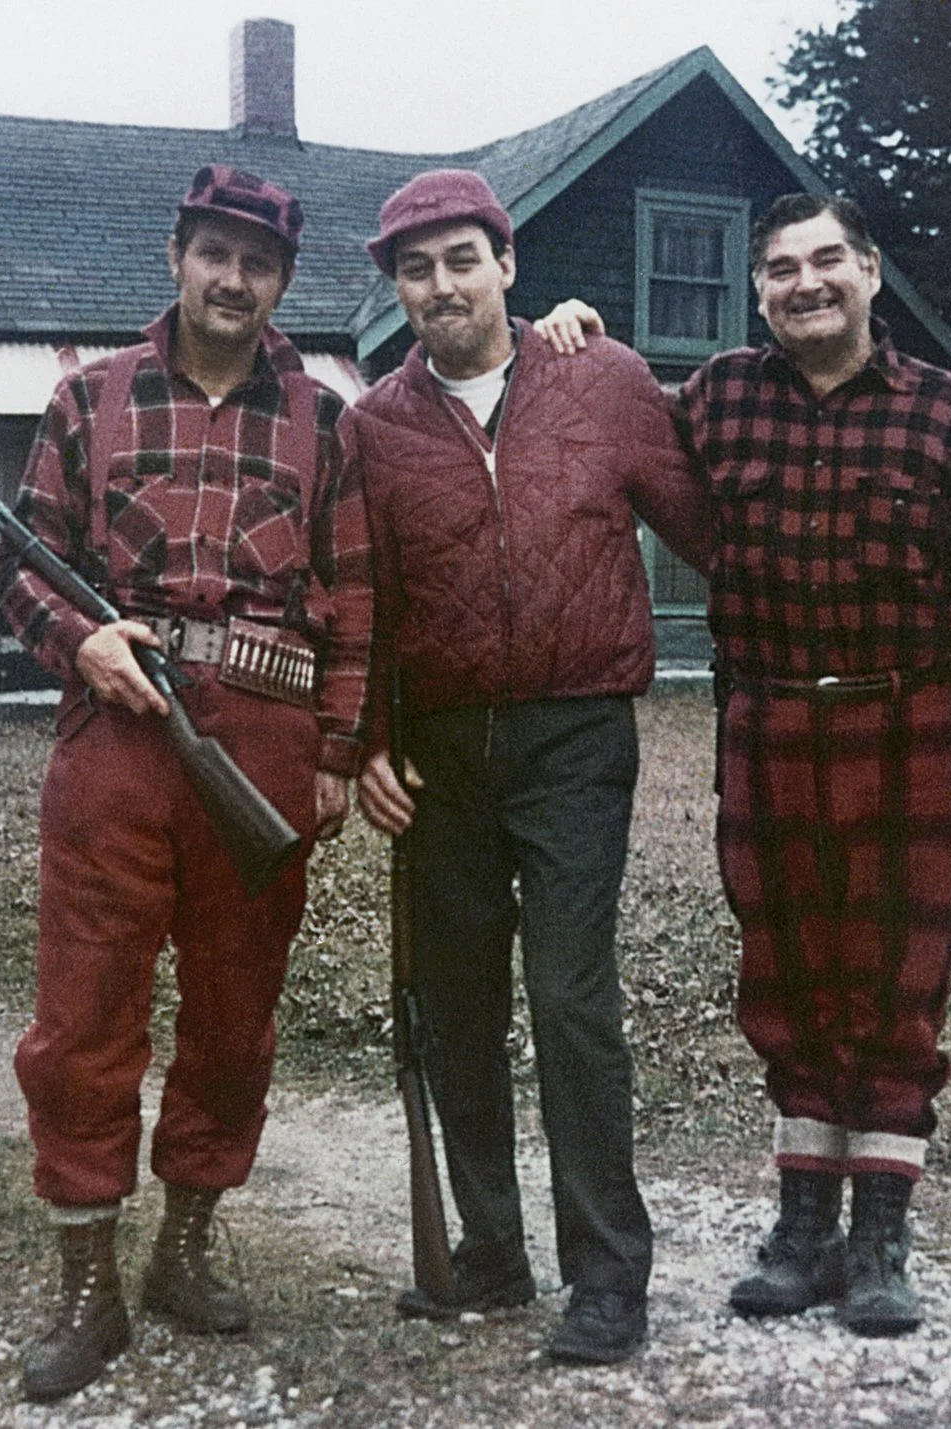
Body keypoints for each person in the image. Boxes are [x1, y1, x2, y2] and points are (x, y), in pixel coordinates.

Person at [537, 190, 951, 1335]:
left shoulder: (945, 415)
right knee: (786, 981)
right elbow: (616, 427)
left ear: (870, 274)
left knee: (895, 985)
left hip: (910, 724)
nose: (804, 283)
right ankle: (801, 1229)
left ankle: (879, 1238)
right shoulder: (716, 398)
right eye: (778, 268)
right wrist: (575, 332)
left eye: (828, 261)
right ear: (757, 290)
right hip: (767, 732)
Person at [0, 164, 371, 1401]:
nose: (233, 279)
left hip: (260, 740)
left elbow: (359, 606)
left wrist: (331, 754)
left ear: (282, 282)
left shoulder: (326, 419)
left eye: (257, 263)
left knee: (233, 1012)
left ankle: (188, 1244)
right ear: (175, 255)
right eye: (214, 252)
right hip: (114, 738)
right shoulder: (85, 399)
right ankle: (89, 1281)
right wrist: (82, 641)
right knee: (83, 1016)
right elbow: (22, 566)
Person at [343, 169, 713, 1366]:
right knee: (456, 1006)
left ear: (508, 262)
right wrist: (366, 745)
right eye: (415, 268)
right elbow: (363, 604)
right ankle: (491, 1252)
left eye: (462, 258)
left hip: (573, 735)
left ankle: (607, 1276)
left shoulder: (600, 382)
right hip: (441, 752)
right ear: (394, 289)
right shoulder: (371, 428)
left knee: (567, 998)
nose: (441, 286)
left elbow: (707, 519)